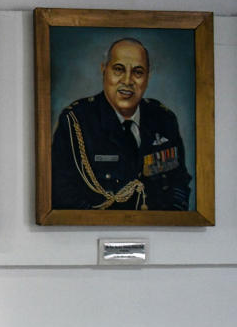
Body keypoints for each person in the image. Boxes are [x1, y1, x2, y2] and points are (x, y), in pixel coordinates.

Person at [51, 37, 191, 210]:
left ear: (148, 77)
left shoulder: (164, 119)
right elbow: (63, 195)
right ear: (104, 70)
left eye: (138, 72)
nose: (127, 80)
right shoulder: (76, 122)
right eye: (118, 69)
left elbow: (179, 183)